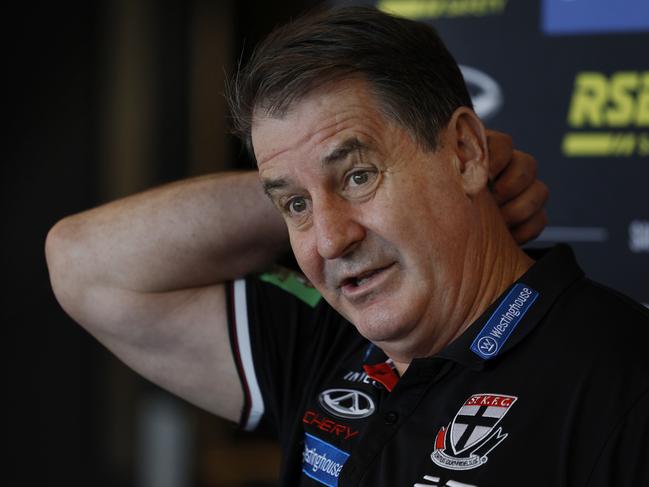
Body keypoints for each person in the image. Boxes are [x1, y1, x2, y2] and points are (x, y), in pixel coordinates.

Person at [45, 6, 647, 487]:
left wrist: (304, 180)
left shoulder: (621, 377)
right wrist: (293, 181)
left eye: (358, 175)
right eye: (297, 207)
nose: (331, 240)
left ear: (463, 151)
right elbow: (83, 262)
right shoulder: (329, 339)